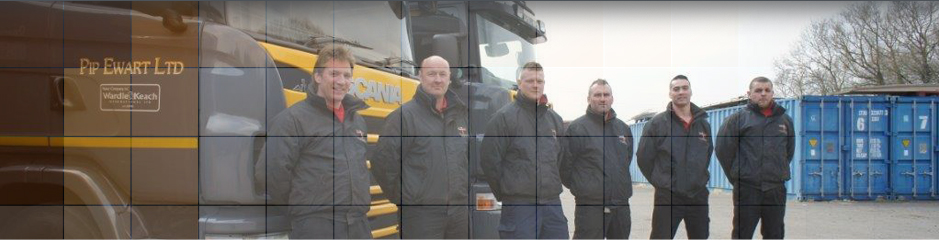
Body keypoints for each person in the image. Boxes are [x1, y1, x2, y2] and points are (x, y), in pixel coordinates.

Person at [258, 44, 372, 239]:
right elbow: (270, 172)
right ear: (318, 76)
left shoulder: (357, 121)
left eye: (346, 76)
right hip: (316, 227)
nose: (341, 81)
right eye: (334, 74)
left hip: (358, 225)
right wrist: (302, 207)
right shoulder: (293, 119)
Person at [373, 56, 470, 239]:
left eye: (443, 74)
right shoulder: (403, 117)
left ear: (450, 78)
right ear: (420, 76)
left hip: (458, 213)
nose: (438, 79)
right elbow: (382, 163)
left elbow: (465, 160)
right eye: (431, 74)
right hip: (420, 216)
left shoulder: (459, 116)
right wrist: (407, 199)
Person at [480, 61, 569, 239]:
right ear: (520, 83)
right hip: (520, 206)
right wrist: (509, 192)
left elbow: (560, 158)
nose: (535, 85)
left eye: (539, 81)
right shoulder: (503, 118)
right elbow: (489, 161)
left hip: (552, 205)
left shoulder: (554, 120)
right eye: (530, 81)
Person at [716, 76, 794, 239]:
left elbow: (788, 151)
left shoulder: (784, 120)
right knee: (742, 233)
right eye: (758, 90)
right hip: (747, 189)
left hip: (775, 189)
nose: (763, 94)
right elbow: (723, 151)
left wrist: (777, 171)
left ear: (772, 93)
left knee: (775, 234)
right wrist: (738, 177)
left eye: (767, 90)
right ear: (749, 94)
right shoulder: (737, 119)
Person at [637, 74, 713, 239]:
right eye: (676, 89)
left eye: (685, 88)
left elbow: (707, 154)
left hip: (697, 195)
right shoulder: (657, 124)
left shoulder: (703, 124)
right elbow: (643, 158)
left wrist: (696, 177)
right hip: (668, 196)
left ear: (691, 91)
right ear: (670, 93)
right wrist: (662, 182)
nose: (681, 92)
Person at [561, 79, 633, 239]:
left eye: (606, 95)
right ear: (589, 99)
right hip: (590, 207)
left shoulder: (623, 128)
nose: (602, 99)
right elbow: (565, 167)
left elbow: (626, 161)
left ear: (612, 98)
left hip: (620, 205)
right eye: (597, 95)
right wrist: (585, 188)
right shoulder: (577, 129)